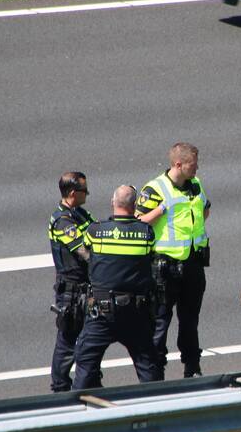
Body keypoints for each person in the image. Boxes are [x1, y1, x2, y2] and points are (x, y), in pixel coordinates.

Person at [72, 185, 162, 389]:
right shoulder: (146, 233)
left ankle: (78, 412)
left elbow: (86, 250)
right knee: (148, 366)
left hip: (102, 313)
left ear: (113, 203)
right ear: (135, 206)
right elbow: (150, 257)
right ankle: (157, 409)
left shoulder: (95, 231)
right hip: (136, 313)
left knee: (85, 363)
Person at [136, 143, 210, 378]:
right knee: (160, 320)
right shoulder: (155, 189)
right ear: (178, 164)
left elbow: (205, 209)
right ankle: (155, 371)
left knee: (190, 320)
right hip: (164, 266)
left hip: (193, 262)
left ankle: (192, 365)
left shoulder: (195, 185)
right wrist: (160, 211)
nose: (196, 169)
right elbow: (137, 223)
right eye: (192, 165)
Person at [47, 171, 96, 392]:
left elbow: (98, 230)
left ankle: (92, 381)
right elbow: (83, 252)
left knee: (90, 337)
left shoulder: (80, 214)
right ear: (73, 193)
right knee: (67, 341)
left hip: (85, 288)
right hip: (71, 291)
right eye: (85, 190)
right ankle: (60, 387)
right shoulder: (62, 221)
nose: (88, 193)